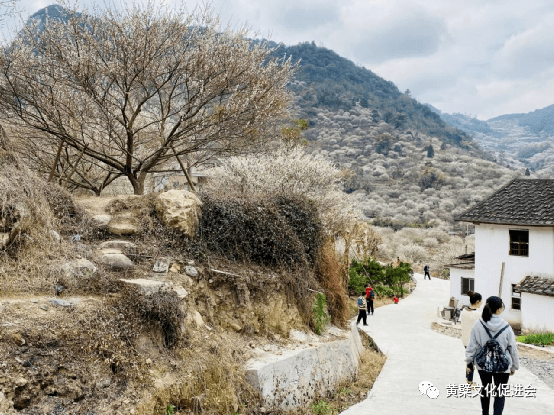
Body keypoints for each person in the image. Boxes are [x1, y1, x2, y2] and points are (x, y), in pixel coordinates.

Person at [466, 296, 519, 415]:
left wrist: (469, 362)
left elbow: (471, 346)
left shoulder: (478, 324)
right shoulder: (506, 326)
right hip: (502, 366)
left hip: (483, 365)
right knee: (500, 394)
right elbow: (512, 349)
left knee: (486, 389)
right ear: (499, 309)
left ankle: (485, 413)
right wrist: (514, 366)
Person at [461, 291, 483, 383]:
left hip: (465, 340)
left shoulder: (464, 311)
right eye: (481, 301)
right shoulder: (478, 315)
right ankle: (484, 382)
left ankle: (469, 380)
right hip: (475, 342)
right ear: (477, 301)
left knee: (469, 361)